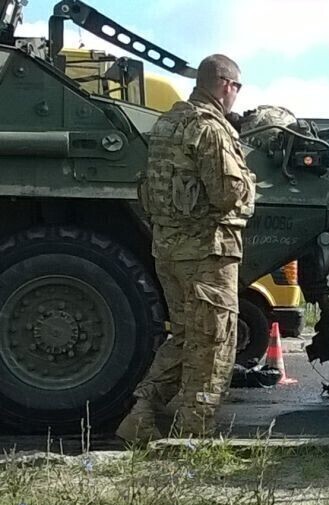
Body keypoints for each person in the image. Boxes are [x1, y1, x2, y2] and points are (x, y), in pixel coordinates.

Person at [116, 54, 255, 442]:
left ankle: (142, 413)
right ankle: (193, 434)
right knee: (213, 340)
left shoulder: (168, 123)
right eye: (237, 87)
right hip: (207, 251)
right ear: (226, 85)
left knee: (185, 336)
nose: (236, 95)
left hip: (169, 249)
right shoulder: (209, 128)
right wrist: (249, 185)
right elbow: (227, 193)